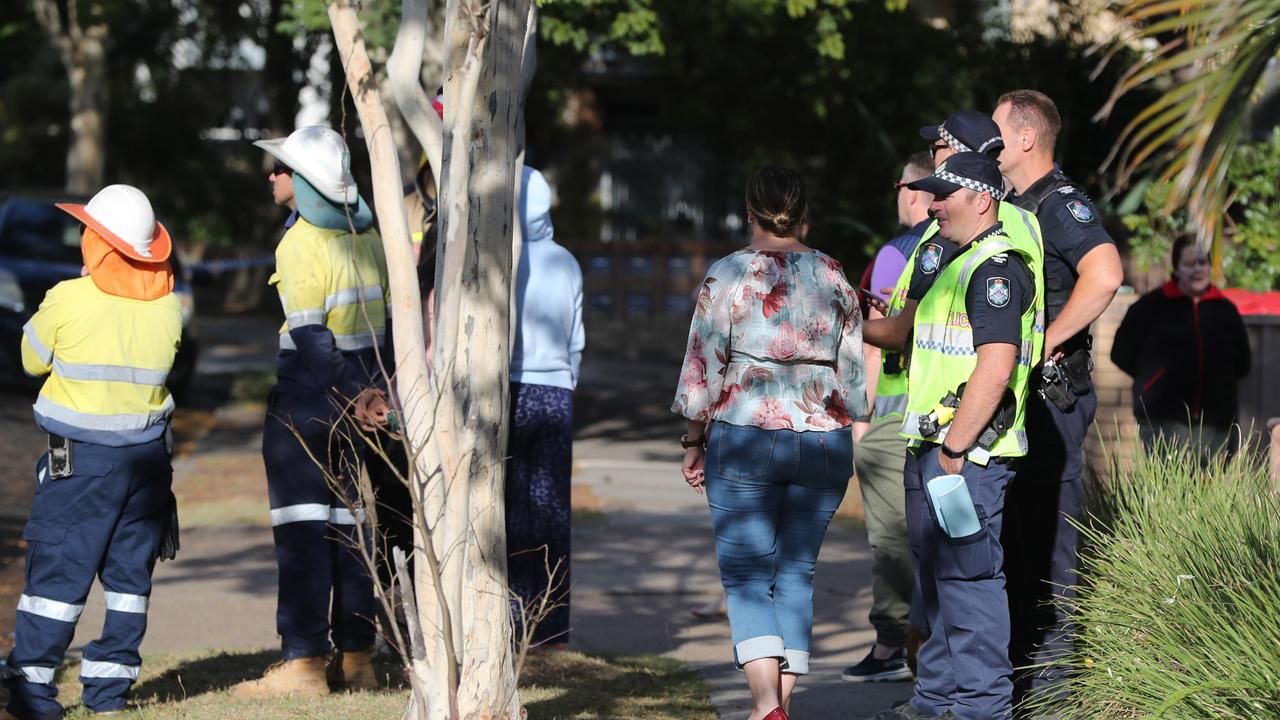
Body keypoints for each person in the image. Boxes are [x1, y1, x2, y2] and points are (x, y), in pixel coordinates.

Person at [673, 166, 866, 720]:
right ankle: (779, 706)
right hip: (824, 439)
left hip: (745, 436)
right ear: (803, 214)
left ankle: (763, 707)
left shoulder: (727, 274)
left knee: (746, 573)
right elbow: (852, 376)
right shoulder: (832, 274)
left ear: (749, 212)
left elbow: (701, 368)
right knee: (796, 573)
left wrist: (692, 440)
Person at [874, 152, 1044, 720]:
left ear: (982, 200)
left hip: (968, 456)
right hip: (934, 449)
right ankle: (938, 701)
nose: (934, 204)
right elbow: (908, 335)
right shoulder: (952, 256)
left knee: (970, 584)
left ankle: (980, 709)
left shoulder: (997, 268)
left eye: (946, 194)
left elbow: (997, 366)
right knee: (939, 583)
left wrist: (954, 450)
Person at [2, 185, 183, 719]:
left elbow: (30, 359)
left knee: (57, 577)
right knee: (128, 582)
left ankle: (33, 692)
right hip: (148, 467)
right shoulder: (169, 309)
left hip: (77, 465)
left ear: (99, 245)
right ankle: (109, 696)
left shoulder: (68, 297)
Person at [232, 126, 390, 698]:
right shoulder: (369, 238)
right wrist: (373, 395)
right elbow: (385, 332)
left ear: (304, 184)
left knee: (301, 530)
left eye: (280, 169)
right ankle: (357, 662)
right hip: (365, 400)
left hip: (308, 401)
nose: (271, 176)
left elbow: (310, 336)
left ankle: (302, 667)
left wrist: (350, 394)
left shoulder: (299, 244)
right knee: (351, 532)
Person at [992, 89, 1124, 704]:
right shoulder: (1013, 204)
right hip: (1020, 402)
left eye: (998, 131)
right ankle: (1019, 684)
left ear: (1026, 138)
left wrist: (1048, 335)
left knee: (1052, 545)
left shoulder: (1058, 204)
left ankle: (1052, 693)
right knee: (1019, 539)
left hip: (1053, 399)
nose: (991, 145)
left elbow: (1105, 273)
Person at [841, 151, 934, 684]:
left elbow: (874, 342)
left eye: (900, 185)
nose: (896, 194)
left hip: (893, 418)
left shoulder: (897, 253)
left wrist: (860, 419)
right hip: (942, 416)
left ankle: (890, 644)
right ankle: (920, 643)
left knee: (891, 537)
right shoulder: (962, 247)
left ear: (914, 192)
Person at [505, 166, 585, 647]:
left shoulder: (502, 259)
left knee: (512, 511)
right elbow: (577, 338)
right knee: (552, 512)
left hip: (511, 389)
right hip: (557, 394)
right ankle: (552, 632)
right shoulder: (567, 261)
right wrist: (566, 380)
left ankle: (513, 624)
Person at [1111, 236, 1251, 459]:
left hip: (1215, 420)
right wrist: (1154, 377)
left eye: (1202, 263)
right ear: (1176, 267)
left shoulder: (1225, 310)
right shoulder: (1150, 307)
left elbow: (1243, 363)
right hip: (1163, 418)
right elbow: (1121, 354)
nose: (1197, 269)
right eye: (1189, 264)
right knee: (1167, 485)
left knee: (1209, 486)